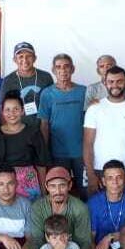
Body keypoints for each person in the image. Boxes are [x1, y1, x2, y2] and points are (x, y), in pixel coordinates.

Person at [83, 66, 125, 193]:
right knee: (97, 210)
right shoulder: (94, 109)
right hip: (98, 169)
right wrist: (90, 174)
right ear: (104, 83)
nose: (115, 85)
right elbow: (87, 143)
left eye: (119, 81)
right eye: (111, 82)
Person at [37, 54, 88, 192]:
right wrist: (45, 151)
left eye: (66, 66)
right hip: (58, 154)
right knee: (60, 191)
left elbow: (91, 123)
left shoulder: (84, 91)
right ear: (53, 70)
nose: (63, 70)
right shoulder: (47, 94)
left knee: (86, 191)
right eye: (58, 67)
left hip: (81, 153)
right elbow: (44, 124)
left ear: (73, 69)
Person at [0, 93, 50, 198]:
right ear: (2, 112)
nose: (12, 113)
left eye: (16, 109)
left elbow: (41, 165)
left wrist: (43, 192)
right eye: (8, 110)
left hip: (29, 185)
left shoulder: (33, 133)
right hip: (2, 184)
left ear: (22, 110)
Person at [27, 166, 94, 249]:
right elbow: (37, 239)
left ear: (70, 185)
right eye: (53, 186)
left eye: (62, 186)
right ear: (47, 187)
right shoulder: (38, 207)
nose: (58, 191)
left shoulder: (80, 208)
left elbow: (84, 241)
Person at [1, 41, 53, 122]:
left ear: (35, 58)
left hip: (42, 128)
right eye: (20, 56)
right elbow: (2, 108)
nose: (25, 60)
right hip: (18, 130)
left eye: (29, 56)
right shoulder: (8, 80)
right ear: (15, 60)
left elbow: (52, 105)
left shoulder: (46, 77)